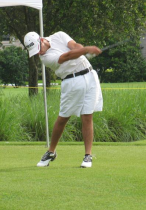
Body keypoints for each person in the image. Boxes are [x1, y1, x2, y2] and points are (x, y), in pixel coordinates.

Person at [24, 31, 103, 168]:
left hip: (90, 77)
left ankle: (87, 156)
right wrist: (86, 50)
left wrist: (82, 50)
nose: (39, 53)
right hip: (71, 82)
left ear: (42, 40)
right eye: (35, 52)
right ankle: (51, 152)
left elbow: (74, 46)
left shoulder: (59, 35)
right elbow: (67, 56)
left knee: (87, 116)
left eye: (38, 49)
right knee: (62, 118)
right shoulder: (45, 59)